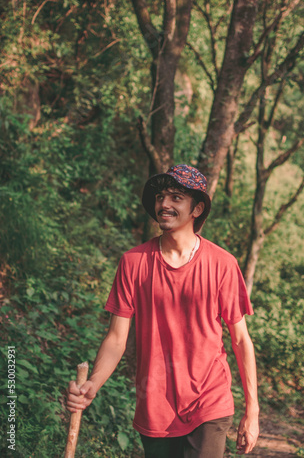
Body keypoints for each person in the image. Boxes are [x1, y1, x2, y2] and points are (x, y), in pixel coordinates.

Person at [67, 164, 259, 457]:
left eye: (176, 198)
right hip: (155, 406)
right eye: (160, 197)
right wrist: (93, 383)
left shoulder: (223, 264)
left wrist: (252, 411)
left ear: (196, 209)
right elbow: (116, 338)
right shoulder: (134, 263)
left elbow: (241, 340)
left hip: (209, 401)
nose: (164, 204)